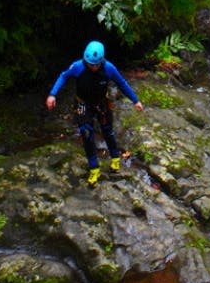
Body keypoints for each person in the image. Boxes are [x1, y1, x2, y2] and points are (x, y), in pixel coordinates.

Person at [45, 40, 144, 186]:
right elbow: (63, 76)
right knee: (86, 134)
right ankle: (94, 168)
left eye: (96, 65)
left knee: (107, 131)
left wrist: (135, 100)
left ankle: (115, 158)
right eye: (90, 64)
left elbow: (121, 83)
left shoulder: (109, 68)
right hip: (82, 104)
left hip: (101, 103)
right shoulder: (78, 66)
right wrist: (53, 94)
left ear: (101, 61)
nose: (93, 67)